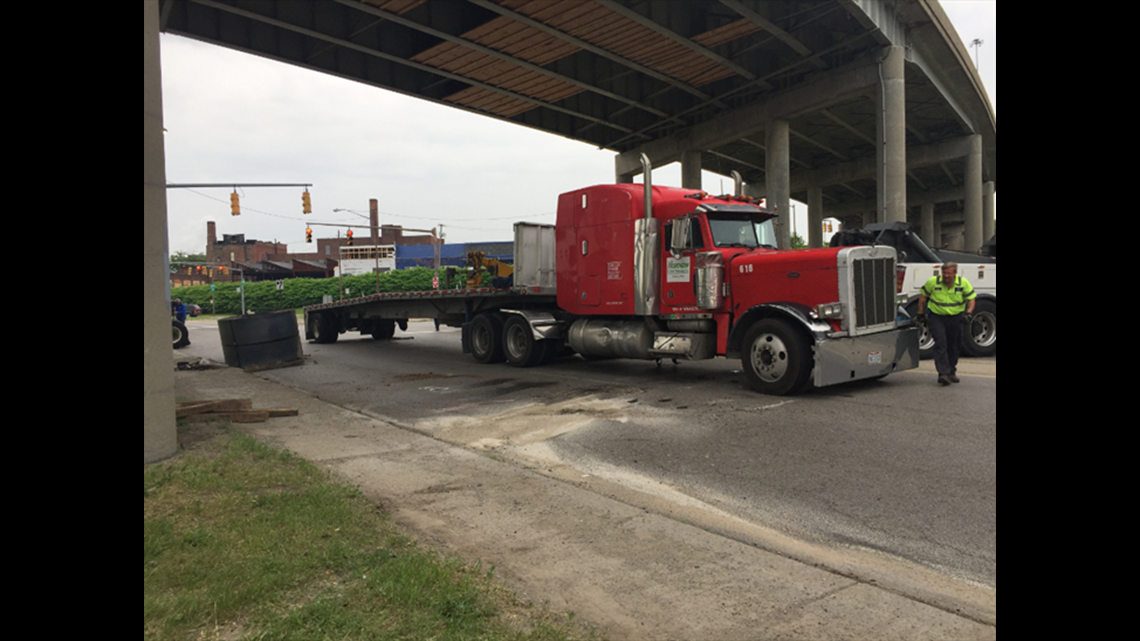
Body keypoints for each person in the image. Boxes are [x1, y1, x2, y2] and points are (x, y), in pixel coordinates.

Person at [918, 262, 976, 386]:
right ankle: (943, 373)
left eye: (949, 273)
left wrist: (968, 313)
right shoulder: (933, 282)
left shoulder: (963, 283)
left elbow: (971, 299)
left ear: (955, 273)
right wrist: (921, 313)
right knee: (940, 343)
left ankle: (951, 371)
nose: (946, 275)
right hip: (937, 317)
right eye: (944, 272)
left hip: (956, 317)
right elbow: (923, 297)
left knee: (954, 345)